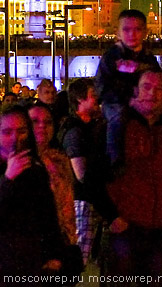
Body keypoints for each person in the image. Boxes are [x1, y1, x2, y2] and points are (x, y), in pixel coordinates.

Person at [104, 70, 162, 286]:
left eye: (160, 88)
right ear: (136, 91)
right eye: (147, 87)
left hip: (159, 228)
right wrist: (111, 216)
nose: (152, 93)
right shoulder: (118, 126)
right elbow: (95, 175)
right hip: (125, 227)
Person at [0, 108, 64, 276]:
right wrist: (7, 179)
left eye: (22, 131)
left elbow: (47, 215)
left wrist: (54, 254)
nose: (15, 138)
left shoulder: (34, 168)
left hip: (31, 261)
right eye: (7, 132)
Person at [60, 78, 117, 264]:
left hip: (95, 199)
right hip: (85, 202)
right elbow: (82, 175)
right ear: (79, 100)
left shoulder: (93, 127)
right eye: (93, 95)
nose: (98, 99)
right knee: (78, 260)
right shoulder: (75, 132)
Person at [95, 9, 161, 168]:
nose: (132, 34)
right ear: (118, 32)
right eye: (126, 29)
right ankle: (114, 161)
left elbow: (160, 82)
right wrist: (129, 100)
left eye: (137, 29)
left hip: (145, 103)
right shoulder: (111, 57)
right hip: (115, 104)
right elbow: (101, 88)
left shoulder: (149, 59)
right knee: (118, 117)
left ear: (145, 32)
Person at [28, 103, 77, 248]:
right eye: (35, 121)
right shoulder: (16, 163)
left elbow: (67, 205)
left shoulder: (59, 160)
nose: (42, 125)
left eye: (48, 122)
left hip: (62, 243)